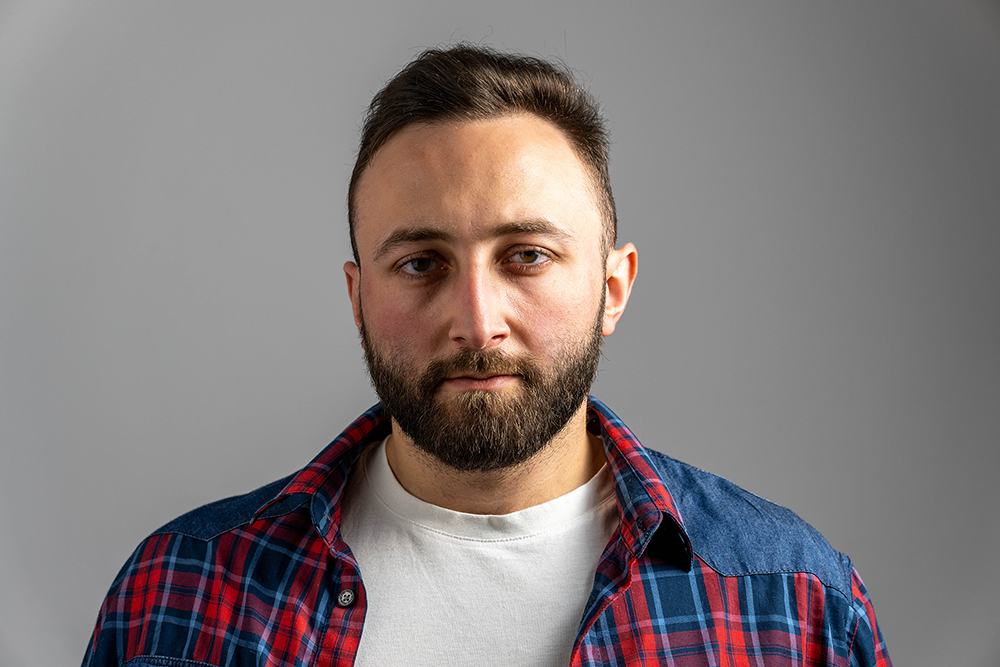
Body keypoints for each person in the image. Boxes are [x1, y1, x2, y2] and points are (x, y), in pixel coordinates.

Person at [82, 45, 891, 667]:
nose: (477, 321)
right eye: (421, 263)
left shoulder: (792, 604)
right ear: (358, 297)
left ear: (614, 288)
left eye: (527, 256)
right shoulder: (178, 590)